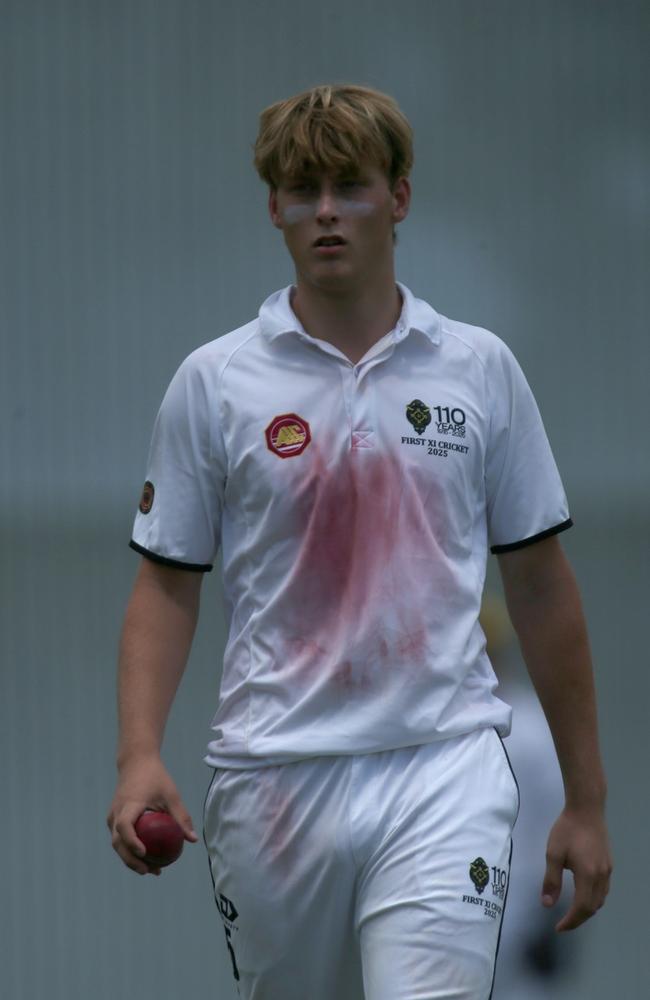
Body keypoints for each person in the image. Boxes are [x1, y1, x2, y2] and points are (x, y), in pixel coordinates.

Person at [107, 84, 612, 1000]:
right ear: (274, 208)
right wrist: (139, 753)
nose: (327, 212)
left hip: (443, 765)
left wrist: (586, 799)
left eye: (351, 185)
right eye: (303, 191)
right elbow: (167, 584)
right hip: (272, 782)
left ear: (401, 197)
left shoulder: (479, 368)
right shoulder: (213, 382)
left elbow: (539, 584)